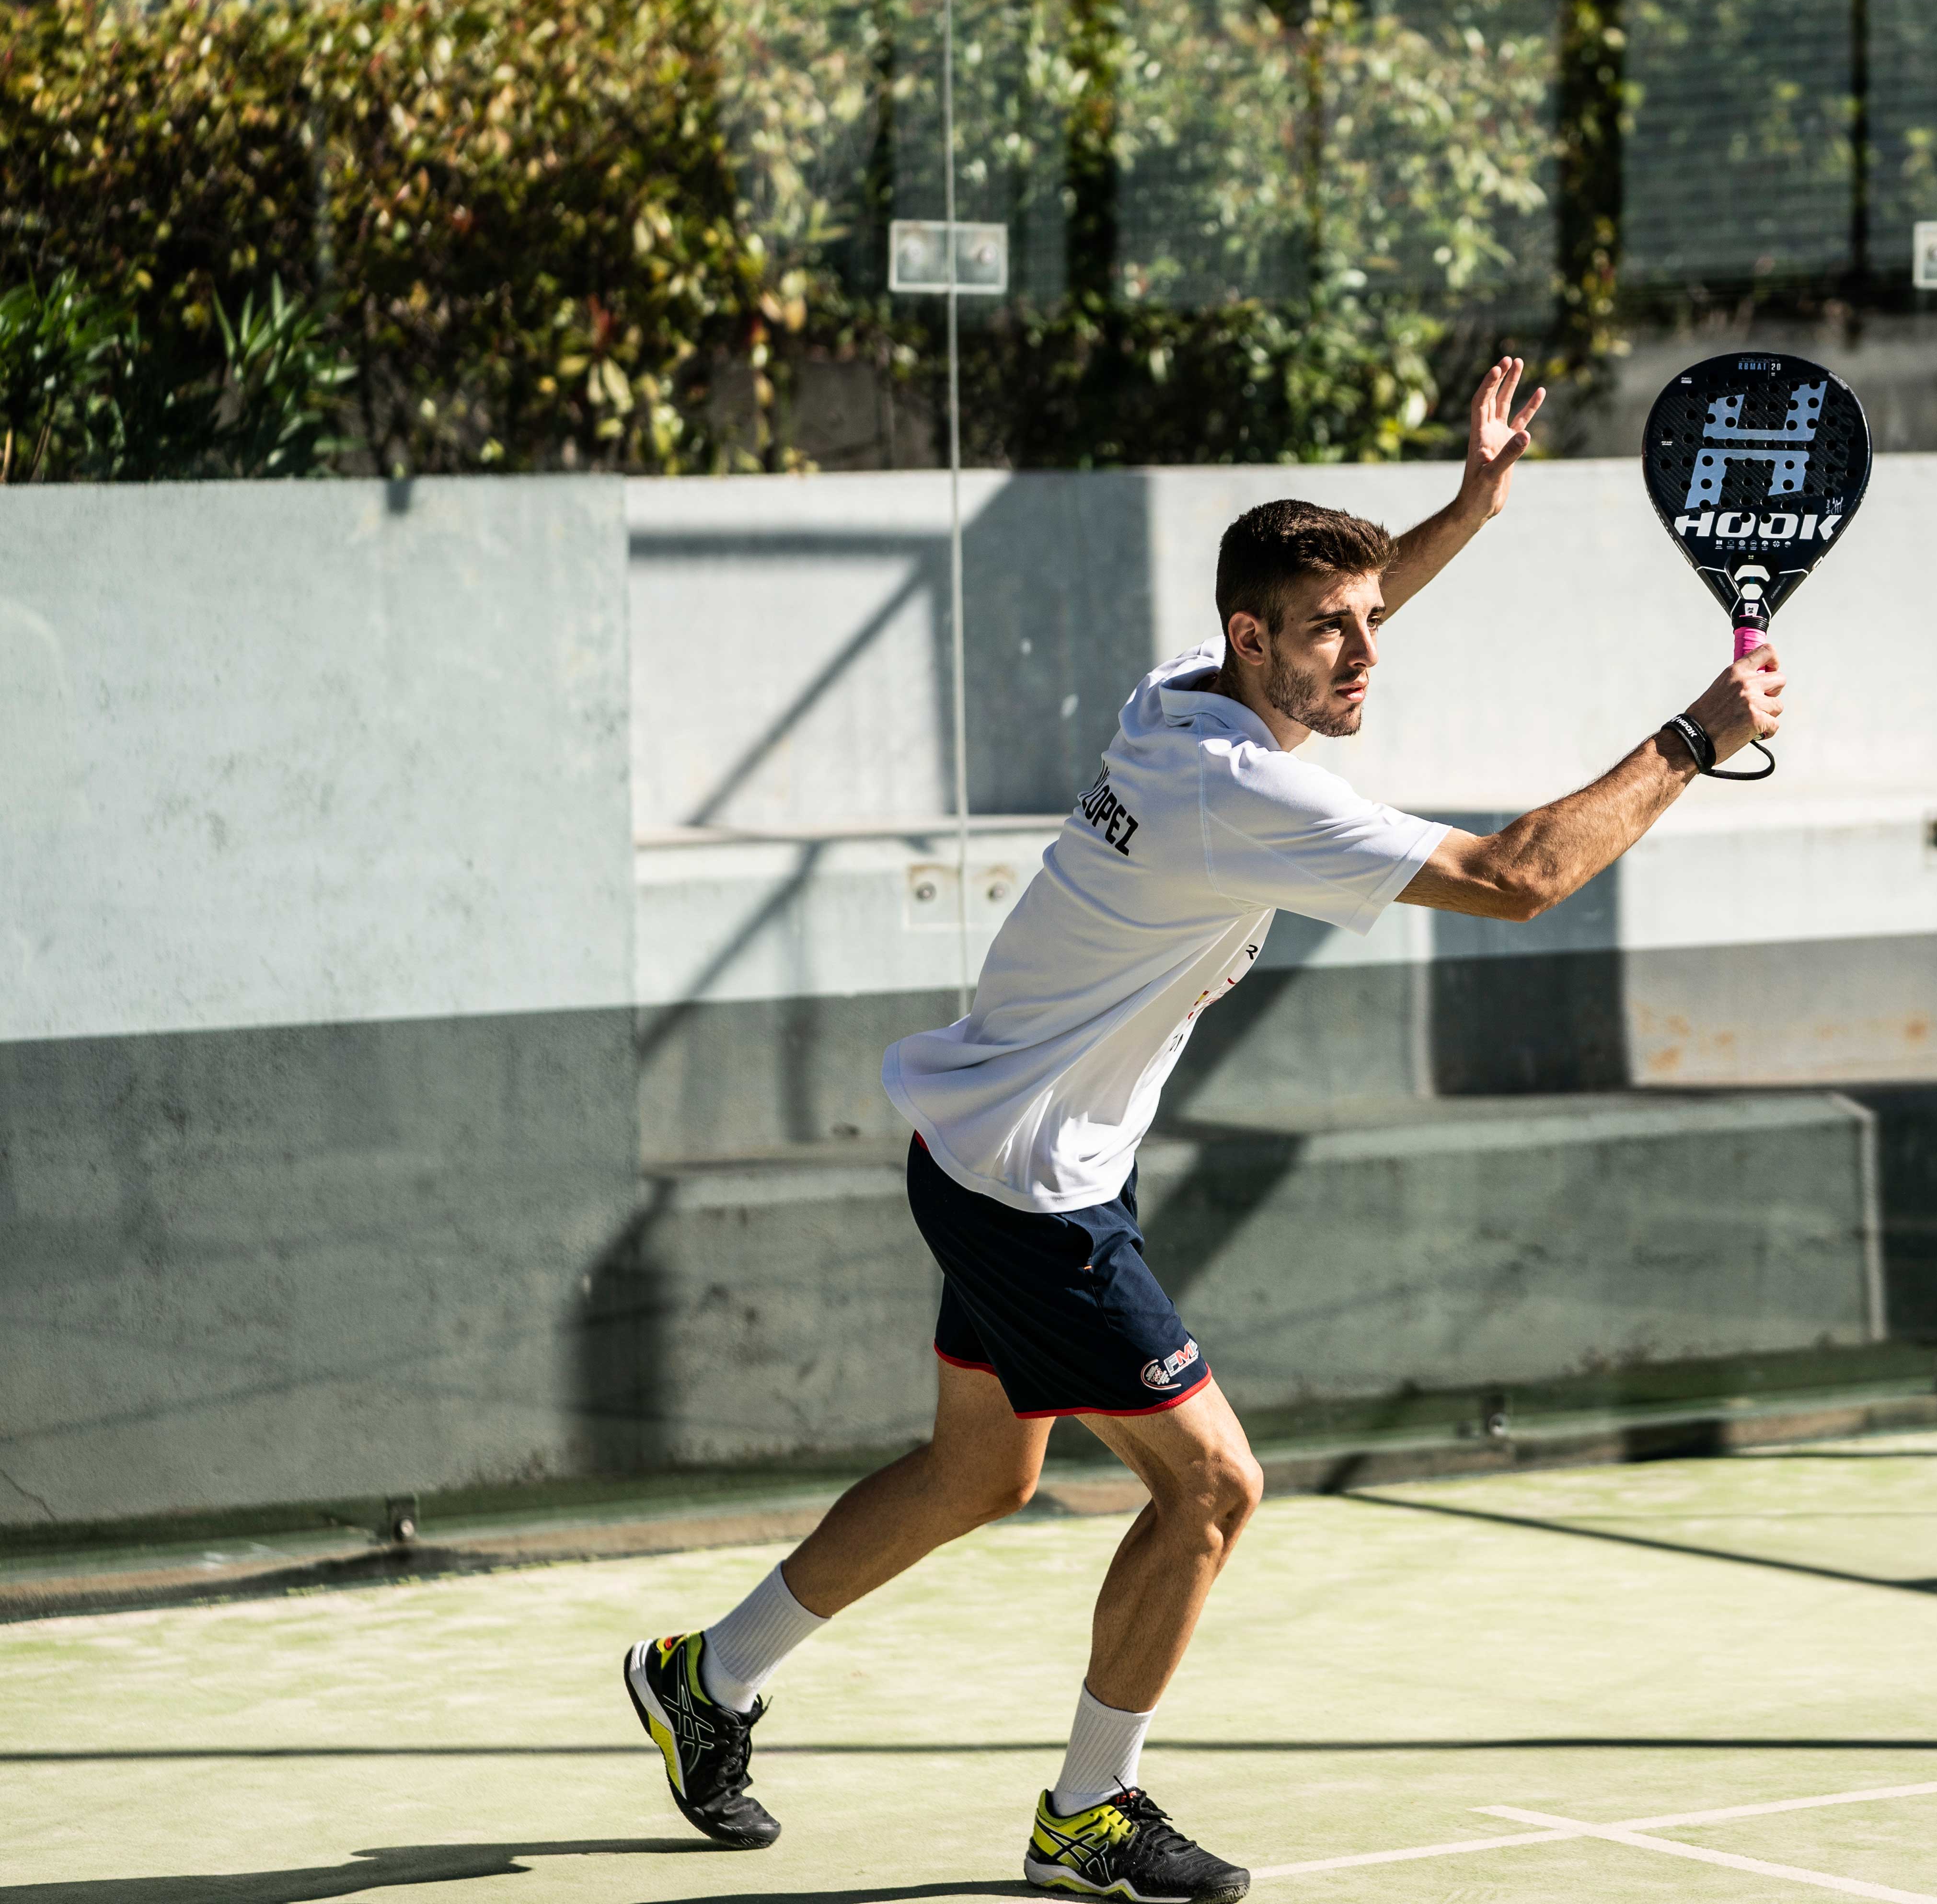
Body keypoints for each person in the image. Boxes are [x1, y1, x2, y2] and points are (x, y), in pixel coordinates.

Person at [622, 358, 1786, 1902]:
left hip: (984, 1147)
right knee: (1215, 1489)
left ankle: (705, 1678)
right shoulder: (1238, 795)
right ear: (1255, 640)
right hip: (1032, 1192)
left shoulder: (1185, 690)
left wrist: (1469, 511)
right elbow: (1517, 878)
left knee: (978, 1477)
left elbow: (1349, 603)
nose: (1366, 653)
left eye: (1368, 621)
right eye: (1333, 632)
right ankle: (1087, 1814)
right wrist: (1694, 736)